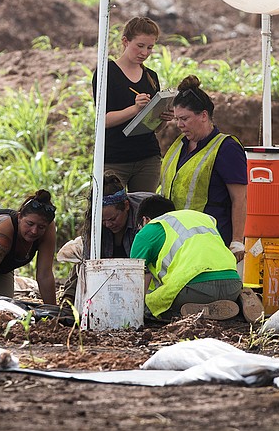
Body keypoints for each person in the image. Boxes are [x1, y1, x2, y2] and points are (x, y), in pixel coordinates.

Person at [129, 195, 262, 321]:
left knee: (152, 304)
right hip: (232, 284)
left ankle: (195, 312)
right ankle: (240, 302)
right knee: (223, 294)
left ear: (145, 220)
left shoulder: (148, 230)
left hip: (192, 291)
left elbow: (136, 282)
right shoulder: (204, 220)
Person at [159, 74, 248, 259]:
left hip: (210, 240)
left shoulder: (226, 148)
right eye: (177, 119)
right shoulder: (179, 144)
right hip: (176, 239)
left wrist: (237, 241)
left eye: (185, 118)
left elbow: (240, 198)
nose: (179, 125)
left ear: (204, 116)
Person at [91, 16, 173, 192]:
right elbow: (102, 121)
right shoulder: (107, 72)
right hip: (114, 158)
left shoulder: (151, 76)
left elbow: (155, 128)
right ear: (125, 41)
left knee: (144, 210)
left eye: (150, 47)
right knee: (110, 212)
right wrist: (134, 109)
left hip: (147, 156)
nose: (144, 52)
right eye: (140, 46)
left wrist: (163, 118)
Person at [58, 174, 154, 303]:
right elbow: (88, 263)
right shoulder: (94, 222)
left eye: (112, 219)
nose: (108, 225)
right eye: (102, 221)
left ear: (126, 206)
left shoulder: (146, 214)